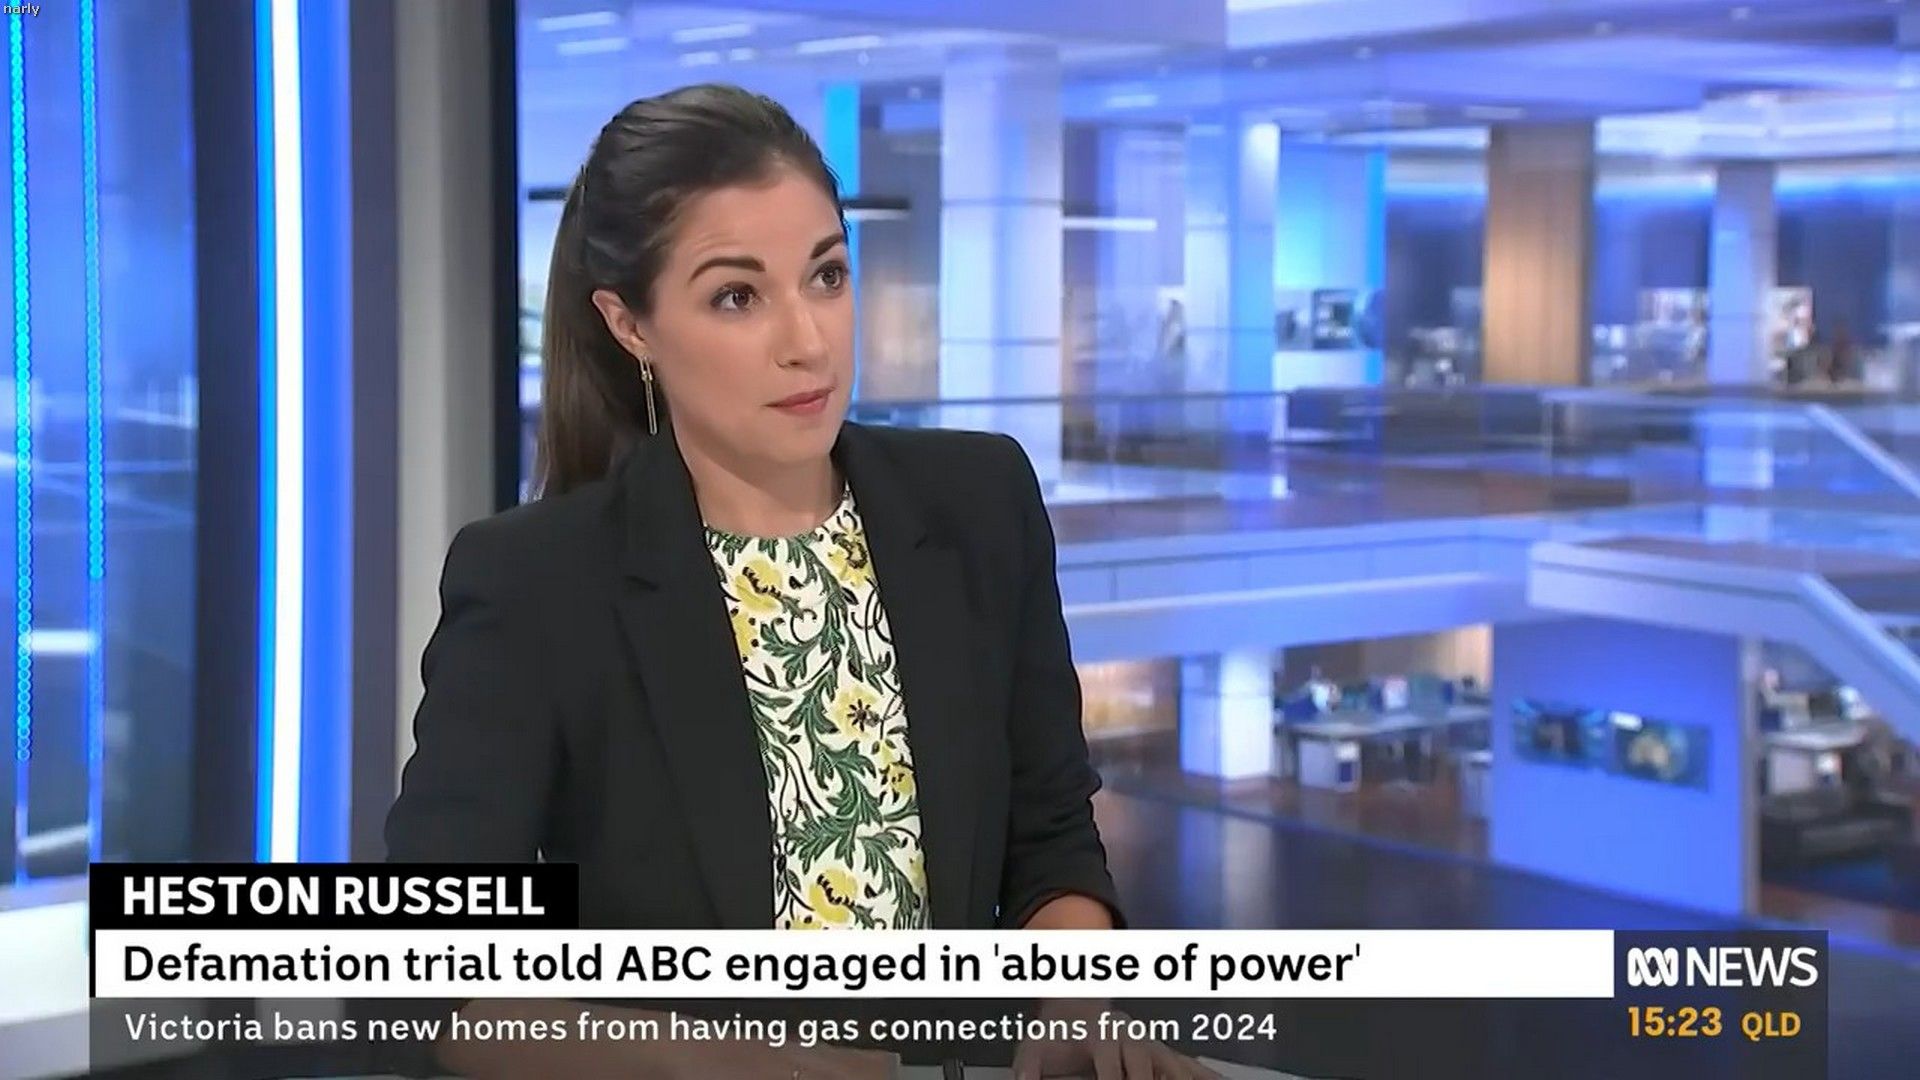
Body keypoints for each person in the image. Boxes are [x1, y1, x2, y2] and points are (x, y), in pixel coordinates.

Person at [385, 84, 1216, 1080]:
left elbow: (1051, 837)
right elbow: (429, 979)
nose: (808, 341)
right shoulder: (537, 583)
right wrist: (750, 1069)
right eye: (738, 297)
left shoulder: (980, 503)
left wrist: (1074, 1005)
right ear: (629, 323)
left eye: (826, 276)